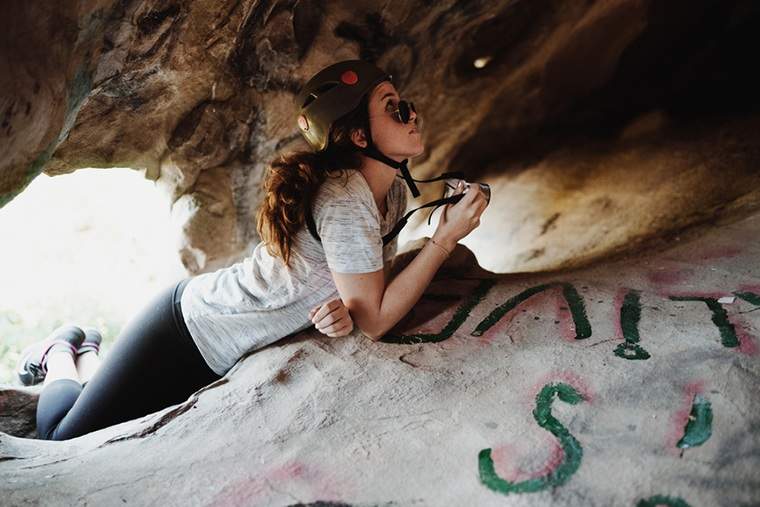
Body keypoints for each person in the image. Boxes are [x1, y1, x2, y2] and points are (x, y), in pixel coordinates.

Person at [14, 60, 487, 441]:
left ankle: (87, 349)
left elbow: (365, 298)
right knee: (60, 434)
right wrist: (443, 239)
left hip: (218, 342)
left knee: (106, 412)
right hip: (190, 331)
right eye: (394, 108)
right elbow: (377, 319)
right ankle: (61, 348)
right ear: (359, 135)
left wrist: (344, 309)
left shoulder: (395, 194)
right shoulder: (345, 197)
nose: (412, 113)